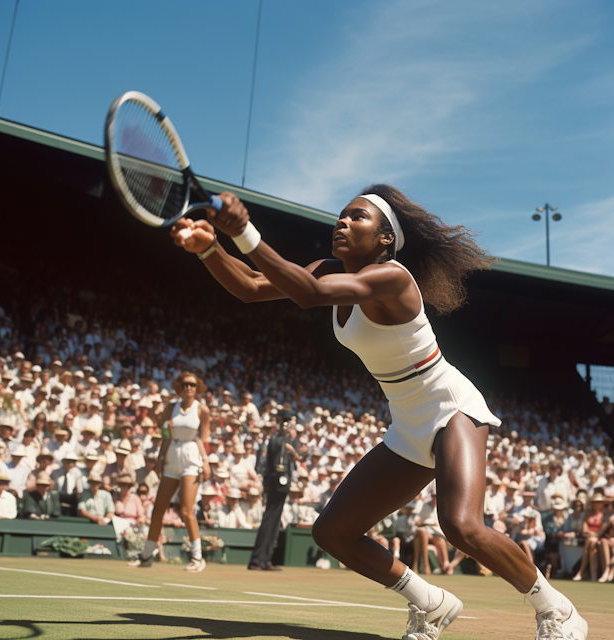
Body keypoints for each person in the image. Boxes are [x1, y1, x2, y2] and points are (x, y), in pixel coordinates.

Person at [170, 186, 588, 639]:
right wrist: (210, 248)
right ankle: (430, 602)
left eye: (358, 217)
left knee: (461, 524)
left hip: (450, 405)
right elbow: (251, 287)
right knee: (333, 533)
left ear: (385, 239)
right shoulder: (328, 270)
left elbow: (308, 294)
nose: (343, 223)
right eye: (341, 216)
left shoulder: (393, 278)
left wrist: (245, 231)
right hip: (406, 418)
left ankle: (558, 610)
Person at [127, 372, 211, 572]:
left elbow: (202, 439)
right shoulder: (170, 408)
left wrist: (206, 462)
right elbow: (166, 435)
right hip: (172, 457)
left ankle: (197, 557)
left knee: (186, 510)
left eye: (192, 385)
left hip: (191, 458)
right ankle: (147, 555)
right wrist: (159, 458)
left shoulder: (202, 410)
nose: (188, 388)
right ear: (179, 388)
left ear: (197, 387)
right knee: (158, 509)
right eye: (185, 385)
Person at [245, 409, 300, 571]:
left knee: (275, 522)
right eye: (288, 421)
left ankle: (265, 559)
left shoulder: (285, 441)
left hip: (281, 484)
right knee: (270, 520)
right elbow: (276, 461)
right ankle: (257, 559)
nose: (290, 425)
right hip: (275, 483)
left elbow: (296, 457)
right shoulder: (277, 441)